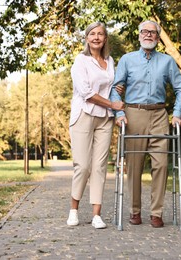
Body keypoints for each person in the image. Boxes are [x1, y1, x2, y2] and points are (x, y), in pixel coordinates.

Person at [110, 20, 181, 228]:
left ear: (158, 36)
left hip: (160, 115)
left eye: (152, 32)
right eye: (144, 31)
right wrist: (118, 113)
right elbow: (116, 88)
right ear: (139, 35)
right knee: (134, 166)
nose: (148, 35)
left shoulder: (167, 61)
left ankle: (156, 212)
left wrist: (177, 113)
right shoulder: (127, 60)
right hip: (133, 114)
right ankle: (135, 211)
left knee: (161, 164)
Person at [67, 22, 124, 229]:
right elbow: (87, 93)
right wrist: (113, 104)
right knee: (82, 165)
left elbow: (114, 86)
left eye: (100, 34)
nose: (97, 37)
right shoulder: (81, 61)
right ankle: (74, 210)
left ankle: (96, 215)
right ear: (87, 38)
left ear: (105, 38)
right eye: (92, 34)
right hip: (84, 114)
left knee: (99, 166)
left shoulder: (110, 61)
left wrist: (116, 106)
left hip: (105, 118)